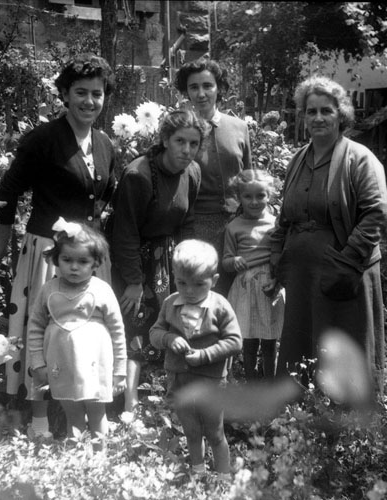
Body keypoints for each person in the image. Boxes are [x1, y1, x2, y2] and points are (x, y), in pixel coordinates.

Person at [0, 53, 116, 438]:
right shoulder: (43, 139)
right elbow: (8, 191)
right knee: (41, 330)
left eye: (97, 94)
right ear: (65, 94)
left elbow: (107, 196)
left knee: (87, 332)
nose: (89, 101)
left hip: (88, 257)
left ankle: (86, 412)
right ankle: (40, 419)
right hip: (47, 254)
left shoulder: (104, 143)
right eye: (81, 92)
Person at [270, 75, 387, 390]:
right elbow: (285, 216)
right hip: (302, 277)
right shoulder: (299, 159)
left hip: (343, 273)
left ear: (341, 115)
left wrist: (347, 261)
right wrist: (276, 256)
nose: (318, 117)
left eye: (326, 110)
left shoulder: (359, 159)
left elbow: (377, 213)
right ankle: (300, 411)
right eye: (311, 111)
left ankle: (347, 413)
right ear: (303, 116)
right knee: (303, 351)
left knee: (343, 346)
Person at [110, 109, 210, 423]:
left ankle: (163, 403)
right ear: (165, 139)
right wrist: (134, 281)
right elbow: (124, 231)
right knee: (135, 327)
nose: (187, 150)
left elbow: (187, 222)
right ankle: (129, 408)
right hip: (134, 260)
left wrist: (187, 267)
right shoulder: (138, 175)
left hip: (168, 260)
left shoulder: (192, 172)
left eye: (194, 143)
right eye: (180, 141)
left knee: (168, 326)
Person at [27, 220, 126, 449]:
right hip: (61, 365)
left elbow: (118, 331)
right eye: (67, 260)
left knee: (97, 412)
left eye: (83, 261)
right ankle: (76, 454)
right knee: (72, 412)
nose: (74, 267)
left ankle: (99, 455)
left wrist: (120, 370)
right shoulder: (48, 290)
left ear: (95, 263)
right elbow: (35, 327)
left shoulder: (101, 290)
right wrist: (38, 363)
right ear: (56, 259)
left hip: (94, 365)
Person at [149, 239, 242, 478]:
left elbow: (235, 342)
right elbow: (154, 333)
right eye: (182, 283)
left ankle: (223, 477)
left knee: (214, 431)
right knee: (191, 430)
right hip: (180, 380)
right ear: (175, 277)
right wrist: (168, 338)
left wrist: (203, 355)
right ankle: (198, 473)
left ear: (214, 280)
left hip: (210, 381)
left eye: (199, 284)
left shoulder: (220, 306)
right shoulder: (171, 303)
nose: (189, 291)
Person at [174, 58, 252, 295]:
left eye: (208, 86)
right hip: (196, 226)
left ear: (219, 88)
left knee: (237, 295)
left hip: (236, 227)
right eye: (193, 87)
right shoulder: (181, 131)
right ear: (186, 92)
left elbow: (248, 176)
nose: (201, 93)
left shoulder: (239, 127)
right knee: (200, 293)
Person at [222, 169, 284, 380]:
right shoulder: (234, 227)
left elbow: (282, 256)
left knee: (269, 340)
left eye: (261, 195)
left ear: (270, 196)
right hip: (245, 288)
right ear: (239, 197)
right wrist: (234, 261)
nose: (254, 201)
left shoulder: (276, 224)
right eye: (248, 196)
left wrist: (278, 279)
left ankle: (270, 382)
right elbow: (226, 261)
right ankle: (250, 381)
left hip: (269, 286)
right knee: (248, 340)